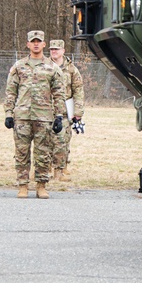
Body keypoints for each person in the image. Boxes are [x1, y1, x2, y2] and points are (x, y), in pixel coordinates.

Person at [4, 30, 66, 199]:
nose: (36, 44)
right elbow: (11, 91)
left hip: (43, 117)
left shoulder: (52, 67)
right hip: (22, 116)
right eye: (33, 41)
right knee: (21, 153)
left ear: (44, 44)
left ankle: (41, 185)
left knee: (43, 153)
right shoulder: (19, 66)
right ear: (28, 44)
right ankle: (23, 185)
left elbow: (59, 93)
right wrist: (8, 113)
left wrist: (59, 115)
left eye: (39, 41)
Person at [48, 39, 85, 181]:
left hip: (63, 111)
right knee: (43, 141)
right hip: (46, 109)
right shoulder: (45, 66)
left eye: (57, 49)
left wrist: (78, 111)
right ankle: (43, 169)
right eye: (52, 49)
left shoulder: (71, 69)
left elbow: (78, 90)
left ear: (63, 51)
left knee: (61, 141)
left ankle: (59, 170)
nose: (54, 51)